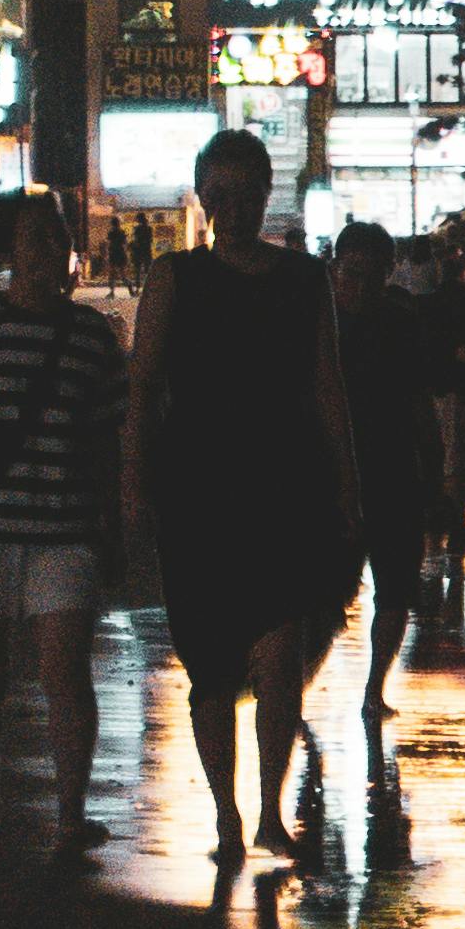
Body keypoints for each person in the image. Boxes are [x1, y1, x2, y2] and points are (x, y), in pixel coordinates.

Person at [131, 130, 358, 867]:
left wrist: (347, 484)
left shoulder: (304, 278)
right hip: (196, 490)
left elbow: (327, 387)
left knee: (281, 653)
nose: (231, 210)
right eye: (218, 196)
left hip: (284, 485)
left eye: (245, 195)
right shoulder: (174, 276)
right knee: (210, 664)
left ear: (266, 195)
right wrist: (132, 485)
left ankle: (268, 812)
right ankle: (228, 813)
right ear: (203, 199)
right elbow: (142, 389)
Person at [0, 190, 124, 860]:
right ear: (7, 248)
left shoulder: (92, 335)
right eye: (34, 237)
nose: (47, 249)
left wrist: (113, 523)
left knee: (65, 675)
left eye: (56, 236)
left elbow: (105, 440)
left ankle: (70, 815)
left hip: (63, 530)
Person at [331, 223, 461, 730]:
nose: (361, 286)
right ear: (337, 269)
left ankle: (371, 688)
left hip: (385, 472)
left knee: (392, 589)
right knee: (345, 591)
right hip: (354, 472)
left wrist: (434, 471)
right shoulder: (335, 324)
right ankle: (356, 689)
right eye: (353, 274)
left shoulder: (380, 324)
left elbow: (419, 404)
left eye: (371, 276)